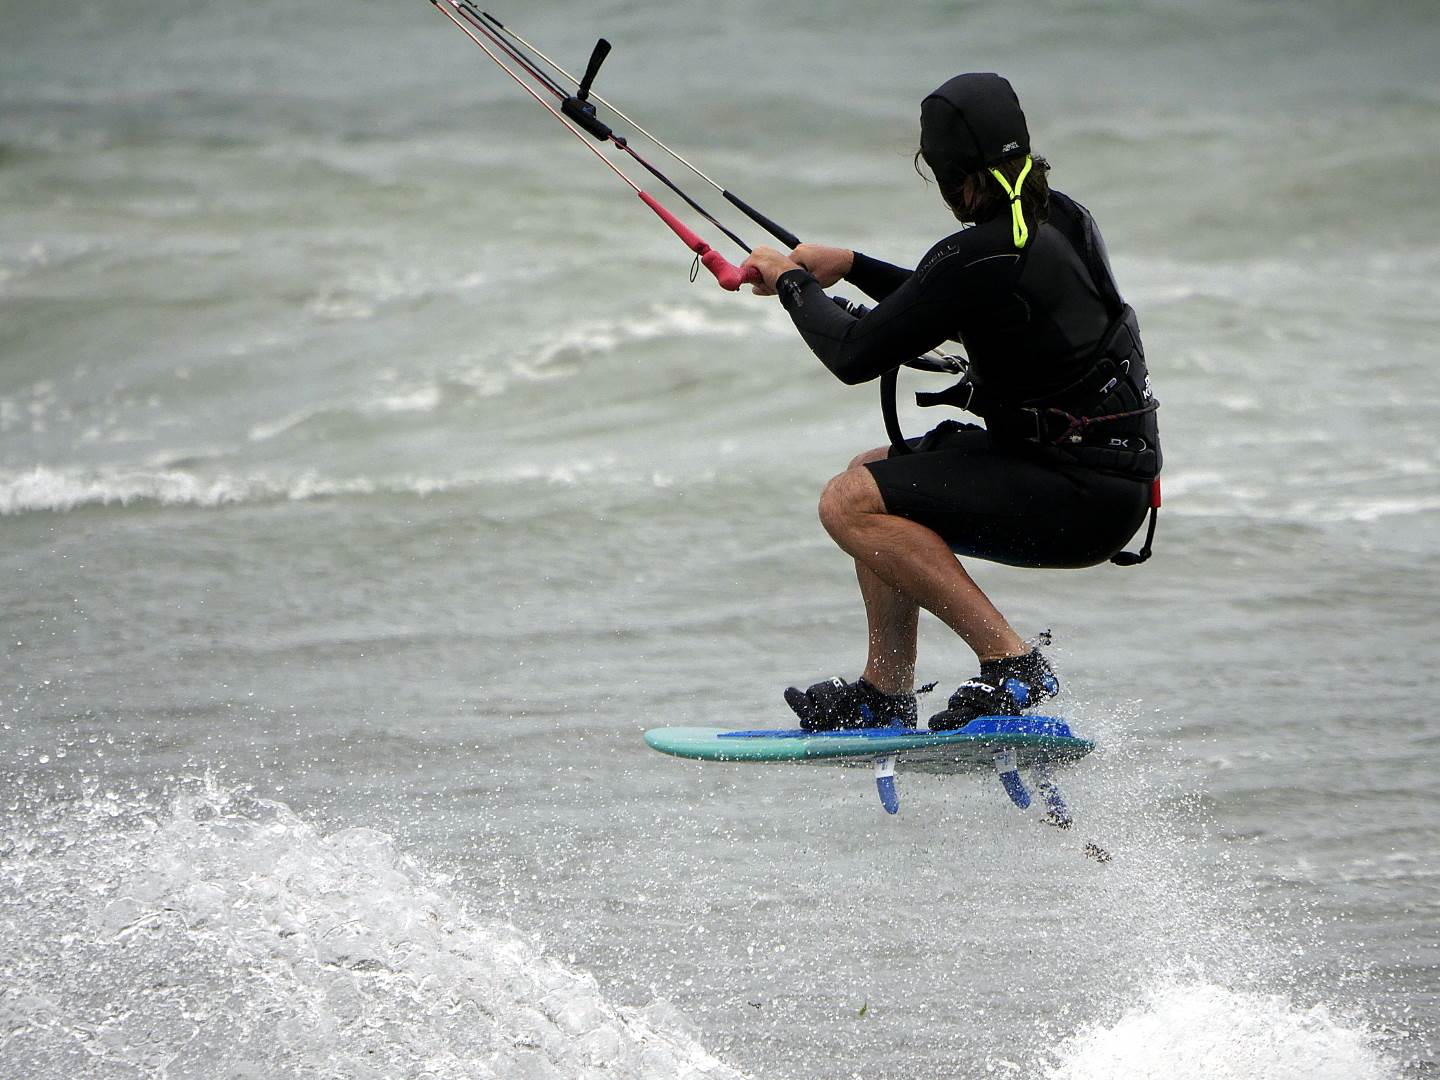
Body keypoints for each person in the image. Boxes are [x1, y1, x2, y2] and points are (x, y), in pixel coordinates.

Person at [740, 73, 1161, 733]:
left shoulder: (980, 252)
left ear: (953, 179)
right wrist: (849, 264)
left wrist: (793, 283)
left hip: (1081, 497)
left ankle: (1013, 663)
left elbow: (854, 355)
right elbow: (956, 298)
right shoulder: (1063, 219)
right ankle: (885, 690)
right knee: (870, 472)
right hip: (1103, 480)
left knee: (844, 502)